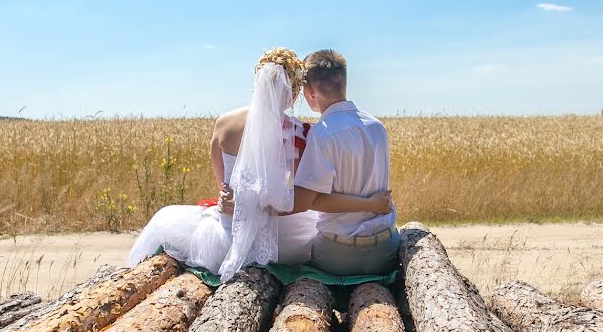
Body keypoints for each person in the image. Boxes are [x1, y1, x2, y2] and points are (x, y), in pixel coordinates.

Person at [127, 48, 391, 280]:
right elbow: (300, 201)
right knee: (313, 225)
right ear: (295, 90)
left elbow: (224, 183)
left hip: (230, 229)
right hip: (282, 238)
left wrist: (237, 203)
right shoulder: (300, 133)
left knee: (167, 218)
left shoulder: (224, 122)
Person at [288, 49, 400, 276]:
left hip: (338, 253)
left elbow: (308, 201)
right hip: (385, 250)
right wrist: (370, 204)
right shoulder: (376, 126)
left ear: (311, 92)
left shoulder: (322, 133)